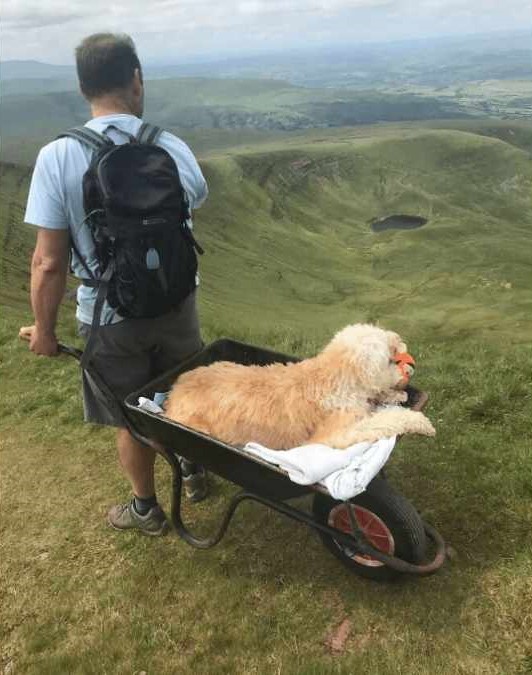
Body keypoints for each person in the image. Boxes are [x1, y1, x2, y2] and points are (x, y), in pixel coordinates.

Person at [20, 33, 209, 536]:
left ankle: (146, 509)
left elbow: (48, 262)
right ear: (136, 79)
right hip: (176, 301)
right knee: (186, 392)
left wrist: (43, 329)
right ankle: (193, 466)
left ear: (83, 88)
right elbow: (193, 204)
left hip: (109, 317)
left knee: (132, 416)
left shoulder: (57, 157)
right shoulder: (168, 145)